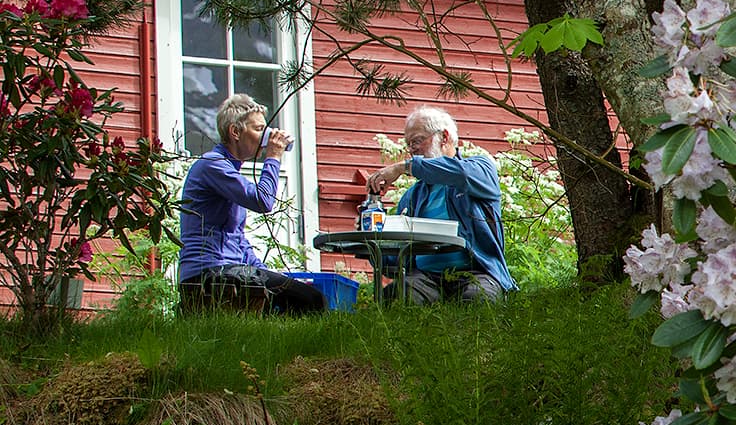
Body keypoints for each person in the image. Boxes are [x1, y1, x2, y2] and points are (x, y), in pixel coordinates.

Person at [177, 93, 327, 314]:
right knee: (310, 300)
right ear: (235, 132)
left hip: (227, 268)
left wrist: (267, 273)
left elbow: (236, 239)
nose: (265, 137)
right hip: (208, 270)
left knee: (299, 294)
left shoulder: (227, 169)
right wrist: (273, 157)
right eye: (258, 130)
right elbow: (263, 201)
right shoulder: (212, 165)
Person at [364, 106, 516, 302]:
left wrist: (404, 167)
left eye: (417, 141)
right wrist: (372, 243)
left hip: (476, 272)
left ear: (444, 137)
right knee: (398, 294)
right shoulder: (413, 196)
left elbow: (461, 174)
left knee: (479, 298)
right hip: (426, 278)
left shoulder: (480, 169)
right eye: (409, 145)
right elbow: (396, 262)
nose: (412, 150)